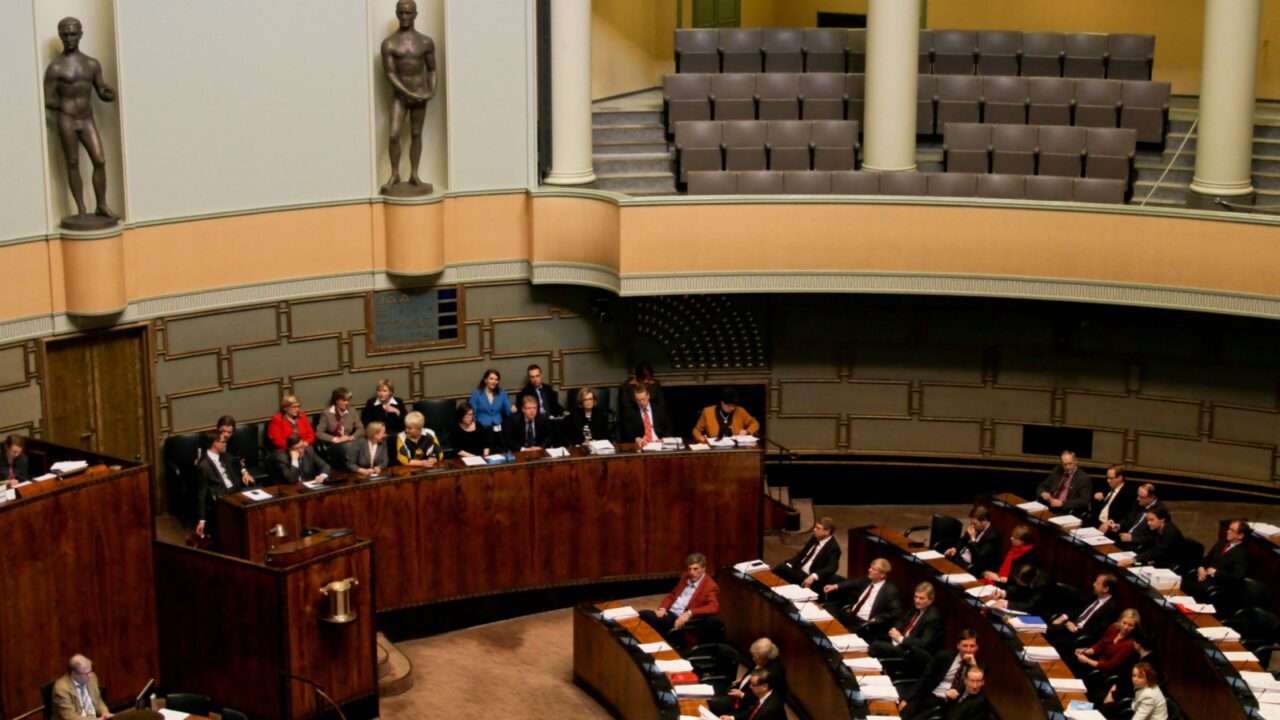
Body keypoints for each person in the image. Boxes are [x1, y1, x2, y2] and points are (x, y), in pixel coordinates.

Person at [44, 17, 117, 224]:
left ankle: (101, 204)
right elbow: (48, 99)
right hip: (67, 119)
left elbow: (100, 88)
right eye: (65, 34)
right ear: (60, 36)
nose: (69, 38)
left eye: (73, 33)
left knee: (100, 160)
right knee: (73, 162)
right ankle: (81, 208)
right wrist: (66, 109)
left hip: (87, 119)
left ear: (81, 34)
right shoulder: (55, 67)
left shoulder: (91, 63)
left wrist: (107, 93)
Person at [380, 0, 437, 193]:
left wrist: (431, 90)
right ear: (397, 14)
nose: (404, 17)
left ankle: (414, 173)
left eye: (408, 13)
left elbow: (432, 70)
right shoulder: (389, 43)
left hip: (420, 94)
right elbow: (390, 74)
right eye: (401, 13)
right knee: (394, 134)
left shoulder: (425, 42)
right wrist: (408, 93)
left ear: (415, 15)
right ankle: (395, 173)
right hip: (400, 96)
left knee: (416, 134)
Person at [639, 552, 720, 645]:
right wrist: (663, 608)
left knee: (645, 616)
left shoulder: (710, 586)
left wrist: (690, 613)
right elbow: (672, 595)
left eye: (695, 569)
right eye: (689, 569)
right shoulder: (686, 576)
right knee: (642, 616)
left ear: (703, 568)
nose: (692, 572)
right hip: (669, 612)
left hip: (679, 619)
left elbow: (714, 607)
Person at [898, 630, 981, 720]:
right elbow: (925, 678)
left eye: (972, 646)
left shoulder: (980, 667)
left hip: (949, 704)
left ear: (977, 647)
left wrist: (973, 665)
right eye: (965, 646)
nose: (968, 650)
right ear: (958, 646)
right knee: (903, 713)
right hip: (930, 695)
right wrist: (906, 699)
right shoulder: (943, 656)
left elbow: (972, 683)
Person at [869, 582, 944, 675]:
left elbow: (923, 643)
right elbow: (902, 621)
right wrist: (895, 630)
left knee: (876, 645)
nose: (917, 600)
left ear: (931, 600)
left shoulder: (933, 617)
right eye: (915, 597)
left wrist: (901, 639)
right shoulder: (916, 606)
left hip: (911, 652)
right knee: (874, 636)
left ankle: (869, 674)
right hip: (901, 642)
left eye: (921, 598)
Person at [822, 558, 902, 640]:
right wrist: (835, 586)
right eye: (870, 567)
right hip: (851, 614)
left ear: (882, 575)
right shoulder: (868, 580)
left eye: (873, 569)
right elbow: (853, 583)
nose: (869, 570)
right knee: (828, 608)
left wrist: (878, 618)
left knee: (840, 635)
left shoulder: (890, 591)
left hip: (863, 623)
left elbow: (896, 612)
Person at [195, 430, 252, 541]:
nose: (225, 443)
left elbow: (238, 462)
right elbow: (201, 493)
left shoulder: (224, 456)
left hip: (237, 490)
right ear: (214, 443)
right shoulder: (203, 465)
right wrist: (202, 520)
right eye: (223, 441)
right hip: (223, 497)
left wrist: (245, 472)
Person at [708, 638, 786, 715]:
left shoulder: (773, 674)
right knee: (711, 699)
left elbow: (761, 698)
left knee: (713, 704)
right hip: (740, 689)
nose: (753, 659)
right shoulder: (762, 660)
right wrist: (744, 677)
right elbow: (753, 671)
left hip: (745, 701)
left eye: (756, 657)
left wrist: (742, 695)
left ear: (764, 659)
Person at [1076, 609, 1141, 698]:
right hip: (1097, 661)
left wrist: (1087, 660)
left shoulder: (1130, 644)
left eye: (1130, 625)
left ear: (1135, 627)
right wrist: (1086, 651)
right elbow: (1100, 644)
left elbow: (1110, 665)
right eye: (1124, 623)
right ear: (1120, 620)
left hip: (1106, 673)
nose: (1126, 627)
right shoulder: (1114, 628)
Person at [1047, 573, 1121, 649]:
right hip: (1069, 625)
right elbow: (1078, 609)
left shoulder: (1111, 608)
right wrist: (1064, 617)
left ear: (1105, 589)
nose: (1094, 584)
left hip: (1079, 635)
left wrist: (1076, 629)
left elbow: (1099, 630)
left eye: (1097, 583)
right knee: (1044, 628)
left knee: (1052, 639)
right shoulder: (1093, 596)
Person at [1182, 518, 1250, 599]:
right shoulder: (1222, 542)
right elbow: (1207, 558)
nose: (1228, 531)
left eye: (1232, 530)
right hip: (1204, 579)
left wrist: (1216, 572)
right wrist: (1201, 568)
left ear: (1240, 535)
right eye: (1228, 529)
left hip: (1218, 587)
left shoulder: (1242, 554)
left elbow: (1237, 578)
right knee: (1182, 581)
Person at [772, 517, 841, 589]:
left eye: (818, 528)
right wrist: (790, 564)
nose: (814, 530)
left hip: (808, 575)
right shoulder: (815, 537)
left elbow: (832, 567)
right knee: (782, 569)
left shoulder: (833, 547)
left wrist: (814, 576)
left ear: (827, 531)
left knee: (781, 568)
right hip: (798, 569)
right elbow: (802, 553)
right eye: (815, 527)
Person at [944, 506, 1002, 578]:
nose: (972, 526)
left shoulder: (992, 536)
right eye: (971, 523)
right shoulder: (976, 526)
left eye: (975, 523)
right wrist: (955, 549)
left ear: (984, 521)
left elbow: (979, 557)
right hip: (959, 558)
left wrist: (973, 539)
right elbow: (963, 540)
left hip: (972, 566)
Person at [1118, 506, 1183, 569]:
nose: (1148, 523)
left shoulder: (1170, 533)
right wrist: (1134, 559)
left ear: (1162, 519)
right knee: (1131, 565)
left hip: (1169, 564)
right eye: (1148, 520)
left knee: (1134, 565)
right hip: (1156, 560)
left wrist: (1134, 560)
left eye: (1152, 520)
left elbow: (1157, 551)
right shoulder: (1157, 528)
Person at [52, 654, 110, 719]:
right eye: (86, 673)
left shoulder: (92, 678)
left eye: (90, 671)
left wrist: (105, 713)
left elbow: (98, 701)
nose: (90, 675)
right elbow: (71, 717)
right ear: (74, 674)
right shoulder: (61, 689)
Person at [693, 387, 760, 442]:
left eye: (734, 406)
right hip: (714, 447)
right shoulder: (707, 412)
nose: (732, 408)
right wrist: (700, 437)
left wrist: (747, 431)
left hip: (736, 448)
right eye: (729, 406)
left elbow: (755, 423)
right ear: (722, 403)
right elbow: (696, 430)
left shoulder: (740, 411)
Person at [318, 387, 366, 464]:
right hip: (335, 445)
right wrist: (337, 439)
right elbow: (319, 433)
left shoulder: (352, 411)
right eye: (343, 400)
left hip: (350, 442)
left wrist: (351, 437)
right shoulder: (326, 413)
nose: (347, 403)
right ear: (336, 401)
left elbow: (361, 428)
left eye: (348, 400)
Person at [1036, 450, 1092, 515]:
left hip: (1067, 512)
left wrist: (1062, 503)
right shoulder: (1057, 470)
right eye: (1065, 464)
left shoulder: (1084, 478)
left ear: (1075, 461)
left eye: (1070, 463)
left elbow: (1084, 501)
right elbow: (1041, 487)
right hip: (1049, 507)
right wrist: (1043, 493)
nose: (1068, 467)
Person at [718, 668, 784, 720]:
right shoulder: (764, 694)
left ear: (764, 686)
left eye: (753, 684)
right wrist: (731, 718)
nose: (750, 687)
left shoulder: (769, 711)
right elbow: (753, 711)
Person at [1111, 483, 1162, 548]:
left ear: (1152, 498)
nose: (1138, 499)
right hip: (1124, 539)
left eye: (1141, 497)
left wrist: (1132, 538)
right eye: (1138, 495)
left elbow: (1154, 537)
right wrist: (1119, 525)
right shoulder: (1138, 502)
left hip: (1139, 546)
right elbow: (1128, 517)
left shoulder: (1160, 511)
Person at [1092, 465, 1136, 530]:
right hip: (1097, 523)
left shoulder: (1128, 494)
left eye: (1111, 478)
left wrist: (1112, 525)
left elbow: (1128, 517)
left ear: (1120, 478)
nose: (1108, 480)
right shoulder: (1107, 487)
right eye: (1107, 478)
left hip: (1110, 527)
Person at [469, 369, 512, 435]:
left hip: (498, 428)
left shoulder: (502, 392)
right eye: (491, 379)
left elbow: (508, 412)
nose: (494, 381)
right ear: (485, 380)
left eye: (496, 379)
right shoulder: (476, 393)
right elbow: (472, 413)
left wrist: (511, 408)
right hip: (482, 428)